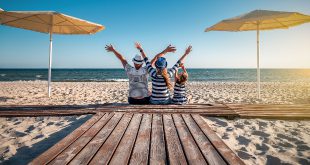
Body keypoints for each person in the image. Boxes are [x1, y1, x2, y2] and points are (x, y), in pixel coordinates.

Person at [105, 44, 175, 104]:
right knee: (150, 93)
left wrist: (113, 50)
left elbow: (122, 58)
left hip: (132, 100)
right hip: (144, 100)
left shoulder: (129, 70)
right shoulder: (146, 69)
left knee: (147, 92)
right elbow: (156, 58)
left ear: (133, 62)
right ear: (142, 63)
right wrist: (166, 50)